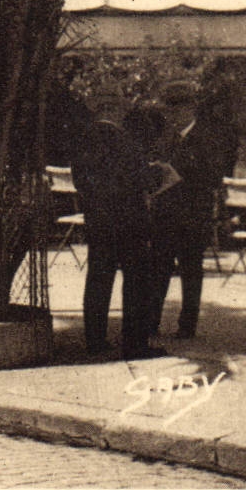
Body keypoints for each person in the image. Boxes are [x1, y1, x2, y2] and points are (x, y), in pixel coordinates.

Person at [68, 96, 172, 360]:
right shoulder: (122, 142)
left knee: (98, 280)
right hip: (128, 221)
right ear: (111, 109)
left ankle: (95, 339)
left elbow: (82, 181)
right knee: (137, 282)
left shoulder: (83, 140)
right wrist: (159, 174)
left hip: (98, 220)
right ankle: (135, 343)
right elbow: (140, 180)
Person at [152, 80, 239, 339]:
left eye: (178, 110)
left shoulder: (208, 139)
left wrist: (184, 173)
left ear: (191, 109)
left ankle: (187, 325)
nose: (174, 116)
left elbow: (215, 176)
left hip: (192, 215)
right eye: (170, 111)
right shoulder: (167, 138)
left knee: (191, 271)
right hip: (165, 215)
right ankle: (152, 321)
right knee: (159, 270)